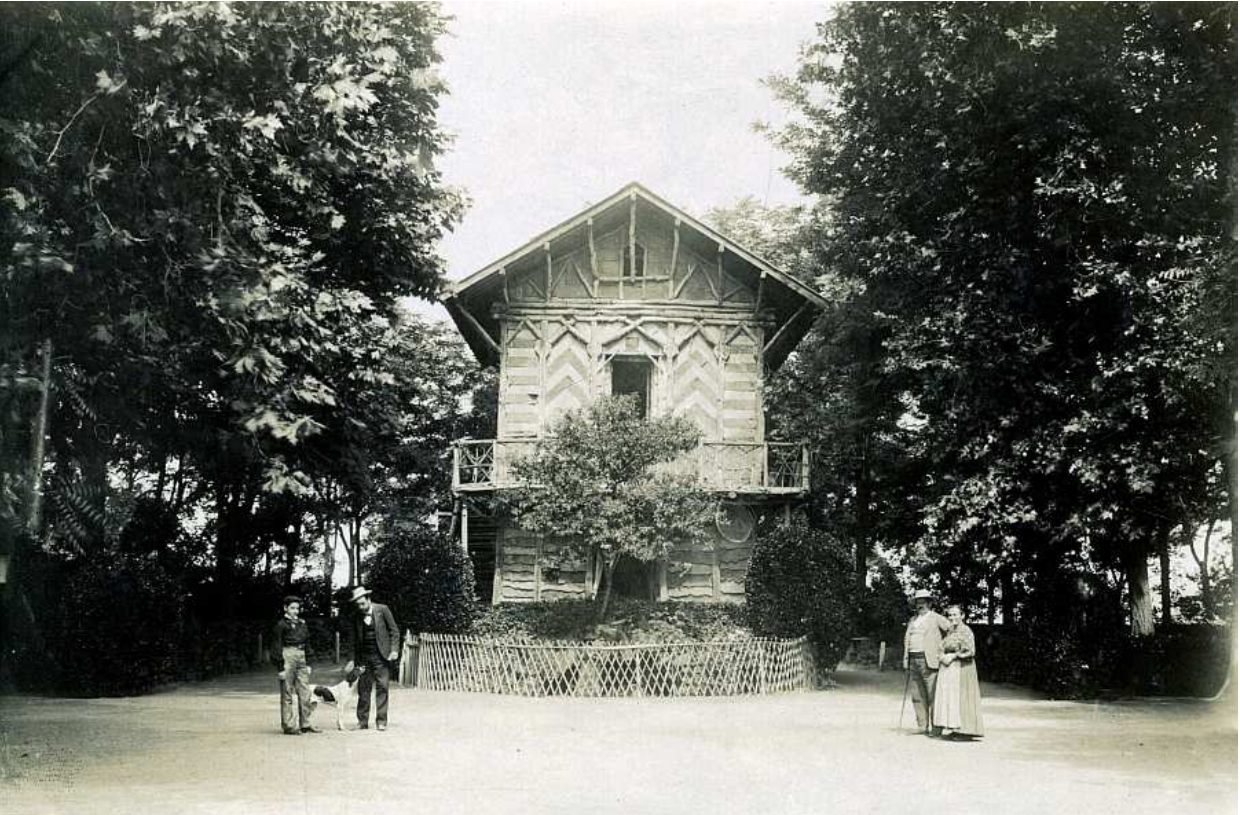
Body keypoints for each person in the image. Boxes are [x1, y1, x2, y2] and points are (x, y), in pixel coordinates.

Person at [344, 586, 400, 731]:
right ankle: (362, 721)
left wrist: (394, 650)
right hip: (363, 658)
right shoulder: (355, 616)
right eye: (358, 605)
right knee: (363, 689)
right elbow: (352, 640)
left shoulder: (383, 610)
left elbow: (394, 631)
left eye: (363, 604)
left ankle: (381, 721)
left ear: (368, 599)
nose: (361, 607)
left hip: (381, 656)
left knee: (383, 687)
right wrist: (351, 659)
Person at [932, 604, 984, 740]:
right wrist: (942, 656)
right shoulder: (950, 630)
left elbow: (970, 651)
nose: (952, 617)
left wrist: (954, 656)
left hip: (963, 668)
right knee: (952, 698)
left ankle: (966, 731)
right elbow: (943, 646)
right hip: (950, 667)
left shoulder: (966, 630)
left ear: (962, 616)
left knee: (963, 697)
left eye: (955, 614)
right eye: (950, 615)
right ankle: (955, 728)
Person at [902, 588, 950, 736]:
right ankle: (922, 725)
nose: (920, 604)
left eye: (923, 601)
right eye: (918, 602)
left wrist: (944, 648)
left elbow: (951, 630)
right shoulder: (913, 620)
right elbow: (907, 639)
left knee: (933, 694)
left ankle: (936, 727)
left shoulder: (936, 617)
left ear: (929, 603)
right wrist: (905, 658)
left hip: (929, 660)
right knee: (917, 694)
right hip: (913, 659)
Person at [271, 595, 319, 735]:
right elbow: (276, 646)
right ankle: (289, 725)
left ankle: (305, 723)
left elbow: (308, 643)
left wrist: (308, 662)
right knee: (287, 691)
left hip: (301, 655)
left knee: (305, 691)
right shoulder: (280, 625)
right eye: (292, 608)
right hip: (287, 655)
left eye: (297, 608)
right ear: (285, 608)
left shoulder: (302, 624)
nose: (296, 611)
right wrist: (280, 667)